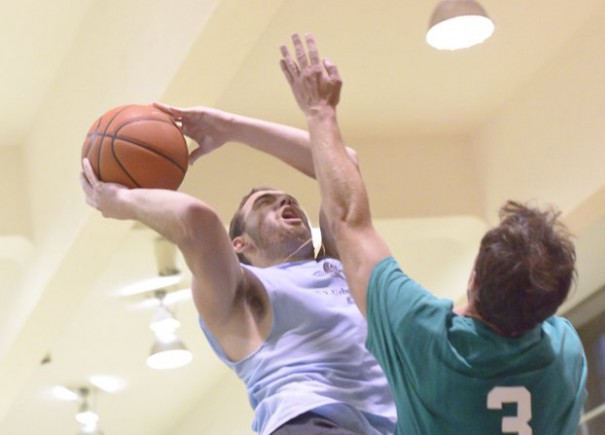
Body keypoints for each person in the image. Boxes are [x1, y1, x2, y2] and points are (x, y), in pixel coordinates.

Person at [279, 33, 588, 435]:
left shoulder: (426, 335)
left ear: (473, 279)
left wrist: (320, 111)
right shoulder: (565, 352)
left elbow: (348, 219)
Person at [80, 103, 396, 435]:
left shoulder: (339, 263)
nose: (285, 203)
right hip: (310, 419)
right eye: (265, 204)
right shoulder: (243, 294)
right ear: (240, 244)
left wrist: (232, 128)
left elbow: (344, 164)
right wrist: (118, 201)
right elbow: (194, 218)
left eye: (289, 200)